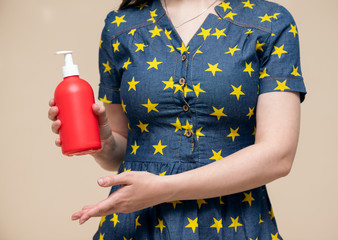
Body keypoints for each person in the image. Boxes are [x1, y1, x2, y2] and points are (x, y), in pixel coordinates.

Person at [48, 0, 307, 239]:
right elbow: (123, 150)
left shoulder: (270, 21)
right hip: (138, 225)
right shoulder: (119, 27)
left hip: (234, 221)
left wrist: (164, 188)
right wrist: (104, 143)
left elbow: (278, 156)